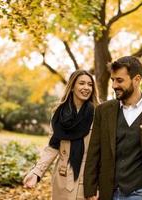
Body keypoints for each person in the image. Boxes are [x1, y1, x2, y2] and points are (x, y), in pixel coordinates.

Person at [84, 56, 142, 200]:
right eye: (113, 80)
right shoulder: (103, 110)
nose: (114, 85)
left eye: (119, 80)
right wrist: (90, 188)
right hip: (108, 191)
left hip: (140, 191)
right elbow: (94, 152)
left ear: (137, 79)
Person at [23, 69, 99, 200]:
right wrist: (36, 172)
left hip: (86, 179)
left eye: (90, 84)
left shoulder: (98, 114)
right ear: (72, 87)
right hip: (62, 178)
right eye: (81, 83)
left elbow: (102, 153)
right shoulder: (59, 114)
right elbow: (52, 147)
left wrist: (97, 185)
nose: (86, 87)